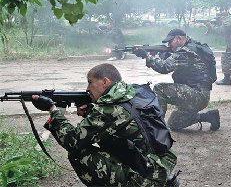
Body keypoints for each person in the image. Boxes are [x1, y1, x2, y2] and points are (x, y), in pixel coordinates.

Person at [31, 63, 177, 186]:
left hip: (149, 175)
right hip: (161, 164)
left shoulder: (111, 107)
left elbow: (72, 140)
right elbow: (124, 122)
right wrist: (91, 112)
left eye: (90, 82)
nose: (87, 89)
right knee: (105, 139)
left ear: (105, 82)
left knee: (78, 153)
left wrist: (53, 110)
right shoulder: (132, 92)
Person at [133, 29, 220, 131]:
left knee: (159, 88)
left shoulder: (185, 52)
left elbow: (164, 67)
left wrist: (146, 55)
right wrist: (164, 56)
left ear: (179, 38)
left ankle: (156, 126)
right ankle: (209, 116)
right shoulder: (194, 47)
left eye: (170, 41)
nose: (169, 45)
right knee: (174, 124)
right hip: (199, 94)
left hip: (196, 95)